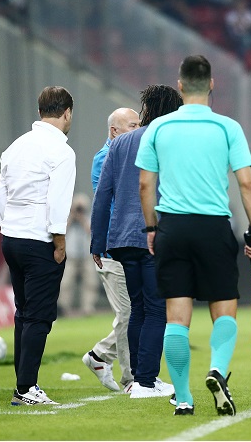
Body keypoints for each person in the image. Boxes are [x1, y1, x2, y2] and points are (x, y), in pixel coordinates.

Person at [135, 56, 251, 416]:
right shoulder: (227, 127)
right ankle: (218, 370)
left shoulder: (159, 128)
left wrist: (151, 228)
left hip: (172, 227)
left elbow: (145, 184)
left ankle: (183, 398)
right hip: (213, 227)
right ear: (211, 84)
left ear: (180, 85)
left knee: (176, 317)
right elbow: (247, 183)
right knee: (224, 309)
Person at [91, 85, 183, 400]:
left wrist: (97, 241)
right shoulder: (167, 141)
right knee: (156, 309)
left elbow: (103, 195)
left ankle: (139, 380)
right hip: (154, 236)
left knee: (138, 308)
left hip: (121, 239)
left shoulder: (119, 143)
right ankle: (145, 381)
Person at [0, 86, 76, 405]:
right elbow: (58, 201)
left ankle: (23, 383)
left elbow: (1, 195)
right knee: (39, 316)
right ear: (67, 112)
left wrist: (9, 227)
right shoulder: (61, 152)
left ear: (40, 111)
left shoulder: (16, 146)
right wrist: (60, 242)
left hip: (12, 238)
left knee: (24, 312)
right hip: (39, 240)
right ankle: (26, 387)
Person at [83, 108, 140, 393]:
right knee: (128, 313)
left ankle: (99, 355)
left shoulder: (128, 154)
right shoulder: (105, 158)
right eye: (132, 125)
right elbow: (107, 204)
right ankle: (132, 379)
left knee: (137, 312)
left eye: (139, 124)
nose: (138, 130)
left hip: (129, 244)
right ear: (114, 131)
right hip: (113, 247)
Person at [58, 193, 100, 317]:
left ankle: (88, 308)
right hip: (71, 256)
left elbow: (91, 231)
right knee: (65, 283)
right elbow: (62, 231)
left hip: (86, 255)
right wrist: (72, 216)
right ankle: (63, 308)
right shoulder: (68, 219)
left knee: (90, 283)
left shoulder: (89, 217)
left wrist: (81, 218)